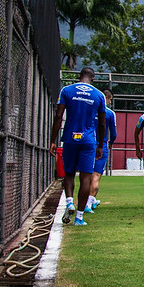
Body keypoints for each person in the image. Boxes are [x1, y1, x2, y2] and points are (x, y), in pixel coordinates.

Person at [49, 67, 106, 226]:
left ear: (79, 76)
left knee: (69, 173)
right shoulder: (99, 95)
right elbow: (102, 123)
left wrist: (53, 140)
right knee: (86, 177)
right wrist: (100, 145)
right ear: (93, 79)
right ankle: (79, 217)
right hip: (88, 141)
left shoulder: (66, 90)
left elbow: (59, 116)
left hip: (69, 138)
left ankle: (69, 202)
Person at [85, 88, 117, 213]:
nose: (109, 103)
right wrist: (110, 143)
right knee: (96, 176)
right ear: (107, 98)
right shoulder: (109, 113)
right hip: (101, 146)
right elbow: (113, 133)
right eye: (110, 100)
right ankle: (88, 202)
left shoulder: (89, 110)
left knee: (86, 174)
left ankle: (89, 200)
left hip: (87, 143)